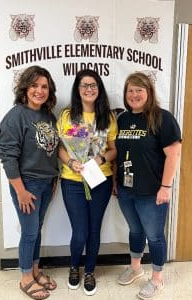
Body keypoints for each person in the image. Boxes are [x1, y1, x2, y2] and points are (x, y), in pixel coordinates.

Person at [113, 72, 181, 300]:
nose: (134, 94)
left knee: (154, 236)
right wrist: (116, 181)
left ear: (149, 92)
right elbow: (119, 154)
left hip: (152, 192)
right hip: (126, 189)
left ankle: (156, 279)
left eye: (139, 90)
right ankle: (135, 268)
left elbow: (174, 155)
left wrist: (166, 187)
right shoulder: (122, 119)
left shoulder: (162, 118)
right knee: (135, 230)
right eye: (130, 90)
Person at [0, 65, 60, 300]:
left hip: (47, 182)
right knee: (30, 232)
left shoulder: (48, 116)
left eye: (44, 86)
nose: (39, 90)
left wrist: (54, 177)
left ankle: (34, 270)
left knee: (37, 230)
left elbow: (51, 150)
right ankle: (25, 278)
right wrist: (21, 191)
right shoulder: (16, 116)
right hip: (27, 184)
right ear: (25, 88)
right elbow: (8, 156)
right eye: (34, 85)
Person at [57, 69, 117, 296]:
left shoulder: (108, 117)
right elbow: (60, 148)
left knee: (94, 230)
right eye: (84, 85)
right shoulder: (66, 115)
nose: (89, 89)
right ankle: (74, 267)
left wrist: (100, 158)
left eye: (93, 85)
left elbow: (113, 150)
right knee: (80, 232)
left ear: (99, 89)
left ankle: (90, 271)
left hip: (99, 180)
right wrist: (71, 162)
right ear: (77, 89)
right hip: (72, 181)